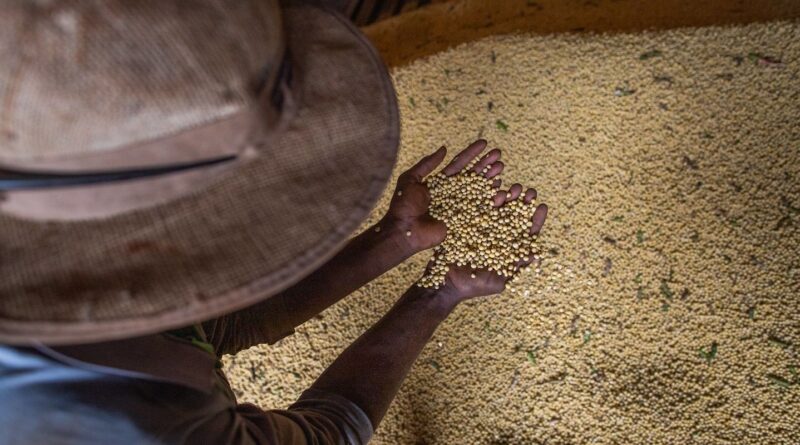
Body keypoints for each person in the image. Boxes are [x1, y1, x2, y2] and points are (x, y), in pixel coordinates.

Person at [0, 1, 547, 443]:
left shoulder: (38, 107)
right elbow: (329, 431)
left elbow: (206, 326)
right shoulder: (135, 419)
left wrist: (393, 240)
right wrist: (436, 295)